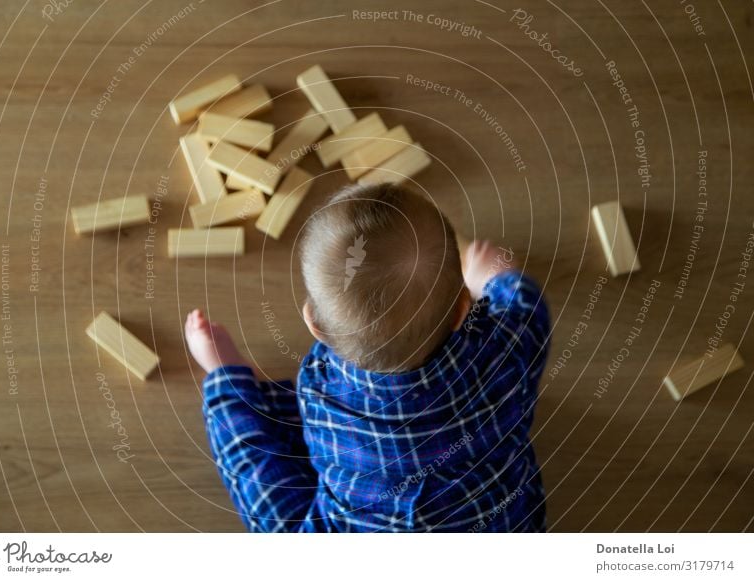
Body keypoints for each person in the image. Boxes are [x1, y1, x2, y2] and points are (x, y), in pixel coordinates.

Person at [185, 182, 550, 532]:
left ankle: (225, 383)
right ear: (461, 310)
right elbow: (527, 310)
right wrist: (496, 278)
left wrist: (227, 383)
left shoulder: (319, 386)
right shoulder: (504, 355)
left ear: (315, 325)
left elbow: (290, 426)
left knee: (273, 507)